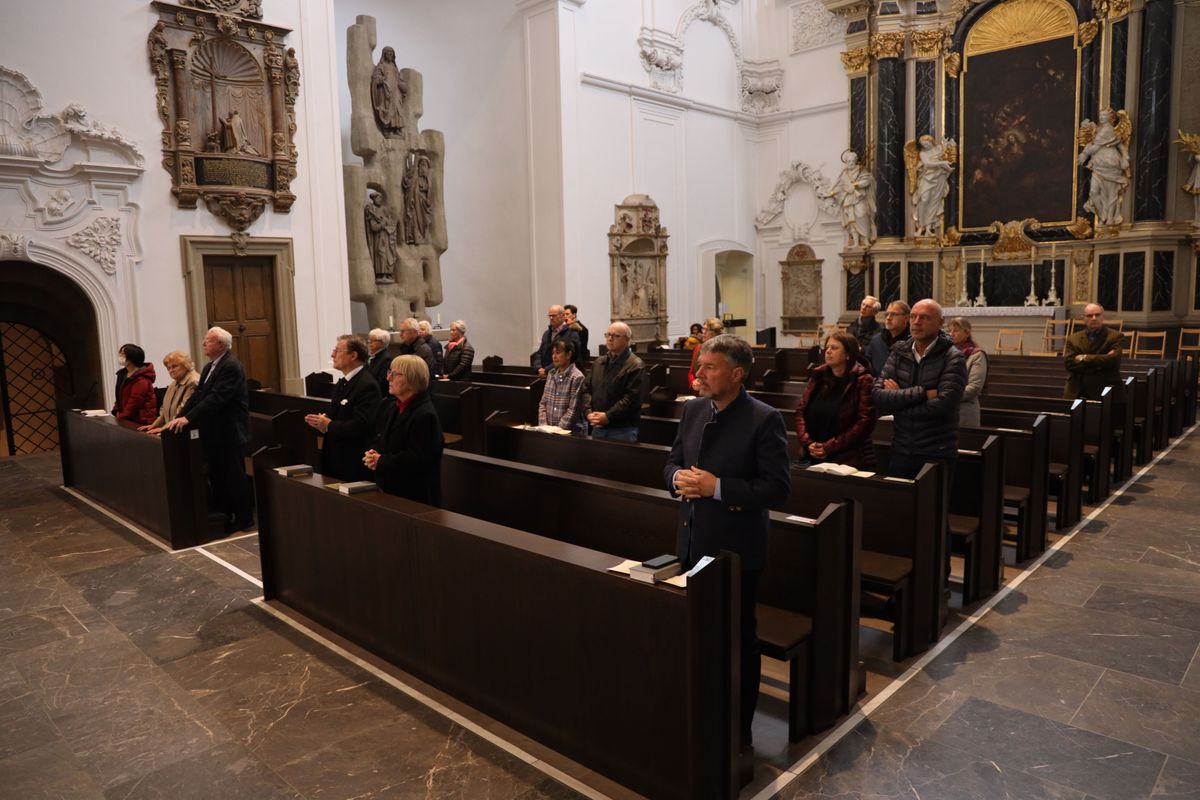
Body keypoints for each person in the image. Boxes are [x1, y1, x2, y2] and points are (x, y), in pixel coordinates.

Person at [664, 333, 791, 760]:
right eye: (699, 365)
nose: (698, 374)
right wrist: (676, 479)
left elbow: (777, 489)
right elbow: (672, 461)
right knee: (697, 634)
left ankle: (739, 730)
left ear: (737, 375)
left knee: (738, 640)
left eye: (709, 367)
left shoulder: (764, 418)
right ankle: (700, 715)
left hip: (736, 550)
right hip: (692, 539)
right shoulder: (693, 409)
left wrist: (718, 488)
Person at [873, 300, 966, 585]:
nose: (916, 322)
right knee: (901, 516)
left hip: (936, 450)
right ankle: (907, 579)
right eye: (913, 316)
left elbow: (945, 404)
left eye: (924, 318)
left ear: (940, 323)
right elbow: (879, 397)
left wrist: (900, 399)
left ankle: (938, 582)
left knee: (934, 518)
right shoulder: (900, 351)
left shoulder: (953, 357)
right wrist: (923, 393)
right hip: (902, 447)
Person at [165, 327, 252, 533]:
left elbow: (217, 398)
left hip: (229, 432)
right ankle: (225, 517)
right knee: (218, 478)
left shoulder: (231, 366)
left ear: (221, 345)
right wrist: (178, 418)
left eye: (209, 341)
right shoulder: (209, 367)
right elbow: (198, 397)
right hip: (213, 433)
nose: (204, 343)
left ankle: (244, 519)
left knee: (233, 478)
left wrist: (188, 418)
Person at [364, 354, 443, 505]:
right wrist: (373, 453)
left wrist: (381, 460)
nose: (388, 378)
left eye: (395, 374)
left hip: (414, 496)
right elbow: (381, 438)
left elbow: (418, 459)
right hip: (391, 488)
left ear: (412, 378)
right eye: (389, 373)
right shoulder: (392, 407)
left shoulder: (425, 415)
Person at [304, 335, 381, 482]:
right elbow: (339, 417)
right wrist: (322, 423)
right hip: (336, 457)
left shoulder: (367, 385)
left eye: (337, 351)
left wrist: (329, 425)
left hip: (353, 461)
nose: (332, 355)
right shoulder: (343, 382)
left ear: (353, 355)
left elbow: (361, 425)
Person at [795, 332, 876, 468]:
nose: (828, 351)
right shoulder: (818, 376)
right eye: (827, 347)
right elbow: (800, 412)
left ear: (848, 354)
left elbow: (865, 422)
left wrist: (829, 447)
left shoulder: (863, 380)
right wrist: (808, 443)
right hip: (812, 454)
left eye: (834, 348)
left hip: (847, 459)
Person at [581, 321, 645, 441]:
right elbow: (585, 390)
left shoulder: (635, 365)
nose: (610, 338)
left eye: (615, 336)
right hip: (597, 425)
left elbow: (631, 398)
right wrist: (589, 413)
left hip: (622, 429)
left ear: (627, 339)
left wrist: (608, 416)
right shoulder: (598, 362)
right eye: (608, 335)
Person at [1064, 303, 1126, 402]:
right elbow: (1069, 363)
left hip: (1106, 390)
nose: (1094, 318)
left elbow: (1114, 361)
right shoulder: (1073, 339)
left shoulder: (1115, 336)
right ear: (1084, 318)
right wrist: (1101, 362)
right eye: (1089, 316)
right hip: (1078, 390)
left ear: (1103, 317)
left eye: (1097, 315)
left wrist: (1084, 358)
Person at [141, 351, 199, 433]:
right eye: (168, 368)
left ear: (185, 365)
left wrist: (164, 429)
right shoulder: (174, 383)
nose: (171, 370)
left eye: (174, 366)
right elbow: (164, 409)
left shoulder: (193, 381)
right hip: (172, 429)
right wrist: (154, 426)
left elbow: (183, 410)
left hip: (185, 430)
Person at [537, 339, 586, 433]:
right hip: (549, 430)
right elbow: (543, 403)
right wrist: (544, 427)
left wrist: (557, 430)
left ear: (569, 354)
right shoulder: (551, 374)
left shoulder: (577, 377)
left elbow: (573, 410)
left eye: (558, 353)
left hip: (569, 431)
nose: (554, 356)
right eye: (553, 353)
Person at [947, 317, 987, 428]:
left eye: (956, 331)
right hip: (944, 412)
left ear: (967, 333)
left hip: (964, 411)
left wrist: (948, 397)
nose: (951, 334)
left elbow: (974, 387)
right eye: (949, 330)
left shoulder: (977, 355)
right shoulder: (946, 353)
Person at [112, 344, 158, 425]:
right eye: (120, 353)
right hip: (128, 418)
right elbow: (120, 396)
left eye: (123, 354)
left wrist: (121, 417)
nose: (120, 356)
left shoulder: (142, 379)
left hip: (141, 421)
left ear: (132, 357)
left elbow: (135, 402)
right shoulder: (123, 374)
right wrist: (116, 411)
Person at [865, 300, 910, 376]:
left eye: (893, 314)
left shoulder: (912, 341)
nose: (888, 318)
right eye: (887, 314)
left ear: (906, 318)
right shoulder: (876, 340)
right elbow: (867, 364)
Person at [536, 305, 580, 377]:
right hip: (544, 374)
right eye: (549, 316)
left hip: (563, 375)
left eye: (554, 315)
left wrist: (546, 370)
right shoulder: (546, 333)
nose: (551, 318)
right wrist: (538, 368)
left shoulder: (571, 333)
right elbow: (540, 352)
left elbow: (570, 356)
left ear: (563, 316)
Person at [688, 318, 725, 392]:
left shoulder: (723, 350)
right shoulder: (698, 348)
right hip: (700, 391)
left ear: (716, 332)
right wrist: (693, 382)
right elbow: (691, 372)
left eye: (707, 330)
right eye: (703, 329)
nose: (703, 332)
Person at [365, 328, 393, 394]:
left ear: (382, 343)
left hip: (377, 393)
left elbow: (382, 382)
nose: (370, 342)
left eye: (374, 340)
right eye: (369, 340)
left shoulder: (386, 359)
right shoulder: (370, 356)